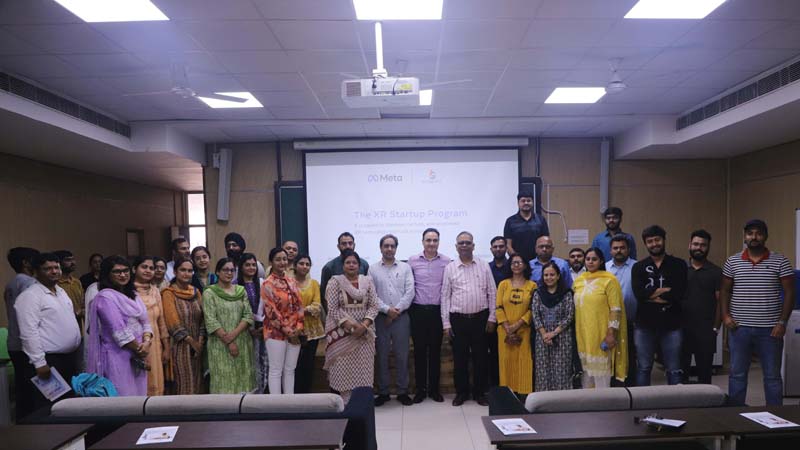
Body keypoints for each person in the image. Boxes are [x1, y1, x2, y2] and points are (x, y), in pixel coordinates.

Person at [720, 219, 795, 406]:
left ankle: (776, 418)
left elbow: (790, 293)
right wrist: (726, 316)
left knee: (772, 377)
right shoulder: (733, 261)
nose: (754, 237)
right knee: (737, 375)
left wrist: (782, 323)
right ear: (745, 236)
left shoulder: (780, 261)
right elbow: (725, 291)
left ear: (765, 236)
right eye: (750, 233)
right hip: (739, 329)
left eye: (759, 233)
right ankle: (736, 416)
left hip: (770, 330)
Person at [15, 253, 82, 415]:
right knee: (51, 406)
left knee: (69, 404)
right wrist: (39, 363)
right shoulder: (30, 296)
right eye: (48, 269)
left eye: (56, 267)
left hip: (69, 357)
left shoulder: (60, 291)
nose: (54, 272)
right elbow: (28, 332)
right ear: (37, 271)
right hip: (48, 361)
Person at [441, 231, 497, 406]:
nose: (464, 245)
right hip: (458, 320)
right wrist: (446, 323)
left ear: (473, 245)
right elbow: (445, 296)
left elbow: (492, 292)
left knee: (481, 358)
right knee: (460, 358)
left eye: (467, 243)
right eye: (461, 243)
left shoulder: (483, 265)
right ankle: (462, 393)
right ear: (456, 247)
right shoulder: (450, 268)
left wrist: (492, 318)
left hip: (481, 319)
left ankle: (479, 393)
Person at [87, 256, 153, 396]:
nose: (123, 275)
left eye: (126, 270)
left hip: (138, 354)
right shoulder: (105, 298)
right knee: (123, 397)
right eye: (117, 272)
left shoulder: (133, 295)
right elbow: (119, 331)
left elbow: (145, 321)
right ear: (107, 274)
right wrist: (140, 350)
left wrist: (146, 342)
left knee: (139, 395)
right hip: (118, 356)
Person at [631, 225, 687, 386]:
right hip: (644, 325)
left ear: (663, 240)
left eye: (657, 240)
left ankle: (675, 406)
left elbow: (678, 293)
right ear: (645, 244)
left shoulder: (678, 264)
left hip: (672, 325)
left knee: (674, 368)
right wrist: (663, 292)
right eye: (650, 241)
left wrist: (651, 294)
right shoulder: (639, 267)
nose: (654, 244)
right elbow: (639, 294)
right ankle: (643, 405)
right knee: (643, 367)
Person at [323, 249, 379, 402]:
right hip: (342, 334)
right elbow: (333, 308)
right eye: (348, 262)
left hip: (364, 335)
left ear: (359, 265)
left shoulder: (368, 281)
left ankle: (361, 404)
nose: (351, 265)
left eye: (354, 262)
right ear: (343, 265)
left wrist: (363, 325)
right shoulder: (335, 281)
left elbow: (374, 305)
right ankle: (345, 404)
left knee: (363, 370)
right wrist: (350, 326)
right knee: (343, 369)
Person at [369, 234, 415, 406]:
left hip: (401, 318)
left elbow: (410, 292)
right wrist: (387, 310)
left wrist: (396, 311)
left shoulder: (405, 268)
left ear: (396, 248)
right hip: (380, 319)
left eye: (392, 246)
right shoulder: (373, 269)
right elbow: (371, 294)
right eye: (386, 246)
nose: (389, 249)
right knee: (381, 356)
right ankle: (383, 392)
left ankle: (403, 391)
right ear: (381, 248)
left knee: (402, 355)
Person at [573, 248, 628, 388]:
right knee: (586, 374)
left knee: (601, 375)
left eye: (594, 259)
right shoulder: (579, 280)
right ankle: (588, 408)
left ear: (601, 261)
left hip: (601, 333)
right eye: (588, 259)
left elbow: (616, 309)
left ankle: (603, 406)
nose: (590, 262)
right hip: (583, 335)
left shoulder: (609, 280)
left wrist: (611, 334)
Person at [408, 228, 450, 403]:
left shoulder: (447, 262)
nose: (431, 243)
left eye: (435, 240)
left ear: (438, 242)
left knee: (434, 352)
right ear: (422, 241)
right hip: (418, 311)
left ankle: (434, 390)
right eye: (428, 240)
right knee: (418, 352)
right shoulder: (412, 261)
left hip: (437, 312)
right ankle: (420, 390)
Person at [204, 258, 255, 394]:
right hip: (219, 345)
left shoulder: (240, 291)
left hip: (242, 342)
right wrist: (229, 341)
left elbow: (248, 315)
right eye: (225, 270)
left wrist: (233, 336)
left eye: (232, 270)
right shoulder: (209, 293)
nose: (229, 273)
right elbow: (211, 320)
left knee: (242, 380)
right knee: (223, 380)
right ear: (217, 272)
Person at [262, 248, 304, 394]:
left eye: (284, 259)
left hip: (295, 331)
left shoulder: (292, 281)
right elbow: (271, 312)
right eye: (278, 259)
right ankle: (276, 405)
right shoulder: (267, 283)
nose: (282, 262)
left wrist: (298, 327)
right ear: (271, 262)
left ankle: (289, 402)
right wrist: (288, 331)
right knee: (276, 370)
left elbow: (299, 306)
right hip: (275, 332)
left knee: (290, 369)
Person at [682, 229, 722, 385]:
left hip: (706, 331)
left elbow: (721, 301)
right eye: (696, 244)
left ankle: (706, 409)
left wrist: (716, 328)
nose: (699, 248)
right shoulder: (680, 269)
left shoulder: (716, 272)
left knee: (705, 376)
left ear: (708, 248)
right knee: (680, 376)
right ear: (689, 245)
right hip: (682, 329)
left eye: (703, 245)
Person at [4, 247, 40, 419]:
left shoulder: (10, 284)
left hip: (13, 342)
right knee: (34, 391)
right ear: (26, 262)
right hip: (26, 344)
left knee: (22, 388)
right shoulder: (30, 284)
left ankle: (22, 423)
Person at [162, 258, 206, 395]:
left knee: (198, 383)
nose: (186, 274)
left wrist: (200, 340)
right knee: (183, 383)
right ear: (175, 272)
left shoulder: (196, 292)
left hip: (198, 347)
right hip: (179, 346)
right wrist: (191, 341)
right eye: (183, 270)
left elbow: (204, 317)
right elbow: (172, 322)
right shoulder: (168, 293)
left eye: (189, 271)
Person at [532, 261, 575, 392]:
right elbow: (535, 315)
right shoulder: (538, 294)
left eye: (552, 275)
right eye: (546, 275)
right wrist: (545, 334)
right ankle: (544, 402)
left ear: (558, 276)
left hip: (562, 337)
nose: (549, 278)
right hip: (542, 338)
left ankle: (561, 402)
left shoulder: (567, 293)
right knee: (543, 371)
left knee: (562, 370)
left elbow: (569, 315)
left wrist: (554, 333)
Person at [496, 253, 535, 395]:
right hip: (504, 332)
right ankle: (508, 395)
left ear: (525, 265)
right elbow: (498, 307)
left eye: (519, 262)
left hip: (524, 331)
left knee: (524, 363)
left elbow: (533, 309)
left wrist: (517, 325)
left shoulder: (532, 285)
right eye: (513, 263)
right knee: (506, 364)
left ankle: (524, 395)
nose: (516, 265)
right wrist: (508, 328)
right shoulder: (503, 284)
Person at [132, 256, 169, 396]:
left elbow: (162, 321)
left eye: (151, 268)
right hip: (136, 344)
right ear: (134, 269)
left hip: (155, 343)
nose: (148, 270)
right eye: (144, 267)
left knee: (156, 380)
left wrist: (166, 347)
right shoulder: (128, 292)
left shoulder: (155, 291)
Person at [605, 235, 638, 386]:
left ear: (628, 250)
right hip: (608, 323)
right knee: (610, 357)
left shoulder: (637, 267)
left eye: (622, 248)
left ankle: (630, 389)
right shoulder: (604, 268)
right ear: (610, 251)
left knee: (630, 357)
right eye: (615, 248)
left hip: (632, 320)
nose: (619, 251)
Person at [293, 254, 325, 394]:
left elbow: (317, 306)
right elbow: (287, 306)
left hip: (312, 331)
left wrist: (300, 310)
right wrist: (305, 310)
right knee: (294, 364)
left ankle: (306, 394)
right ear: (295, 265)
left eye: (307, 264)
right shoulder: (288, 282)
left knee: (308, 364)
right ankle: (294, 393)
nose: (304, 266)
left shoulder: (314, 284)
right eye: (301, 263)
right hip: (293, 330)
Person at [237, 253, 268, 393]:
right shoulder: (235, 286)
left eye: (253, 265)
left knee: (263, 362)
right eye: (247, 265)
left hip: (263, 329)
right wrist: (249, 328)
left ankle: (261, 391)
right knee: (247, 362)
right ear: (241, 267)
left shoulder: (263, 283)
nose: (251, 268)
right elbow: (237, 310)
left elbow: (269, 306)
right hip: (243, 330)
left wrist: (262, 327)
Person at [320, 232, 369, 311]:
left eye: (350, 243)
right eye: (344, 244)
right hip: (338, 315)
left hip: (362, 313)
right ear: (338, 246)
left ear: (354, 245)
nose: (348, 246)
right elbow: (324, 295)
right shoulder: (329, 267)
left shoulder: (364, 264)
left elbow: (368, 291)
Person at [487, 236, 508, 389]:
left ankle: (511, 386)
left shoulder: (514, 266)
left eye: (501, 246)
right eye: (495, 246)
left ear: (506, 248)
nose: (498, 249)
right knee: (493, 353)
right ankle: (495, 388)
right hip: (493, 317)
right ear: (491, 249)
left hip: (513, 316)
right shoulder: (486, 268)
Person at [503, 191, 549, 263]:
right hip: (518, 263)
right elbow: (508, 245)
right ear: (518, 203)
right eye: (523, 201)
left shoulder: (541, 220)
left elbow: (546, 242)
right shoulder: (510, 221)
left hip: (538, 261)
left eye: (529, 201)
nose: (526, 203)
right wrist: (517, 259)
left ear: (532, 202)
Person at [54, 250, 85, 329]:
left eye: (73, 259)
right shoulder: (55, 284)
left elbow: (82, 303)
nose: (73, 262)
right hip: (61, 327)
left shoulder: (77, 282)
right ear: (59, 263)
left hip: (79, 328)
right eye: (68, 260)